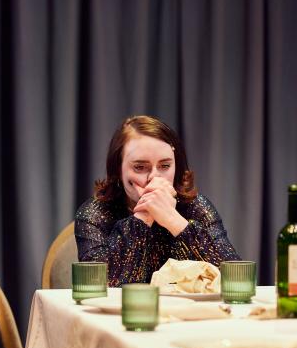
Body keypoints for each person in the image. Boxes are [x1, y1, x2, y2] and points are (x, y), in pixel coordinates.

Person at [75, 115, 240, 287]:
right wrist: (142, 218)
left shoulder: (195, 206)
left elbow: (236, 280)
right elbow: (98, 285)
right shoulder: (94, 213)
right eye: (139, 167)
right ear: (118, 169)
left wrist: (174, 220)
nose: (154, 177)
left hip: (185, 311)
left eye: (165, 166)